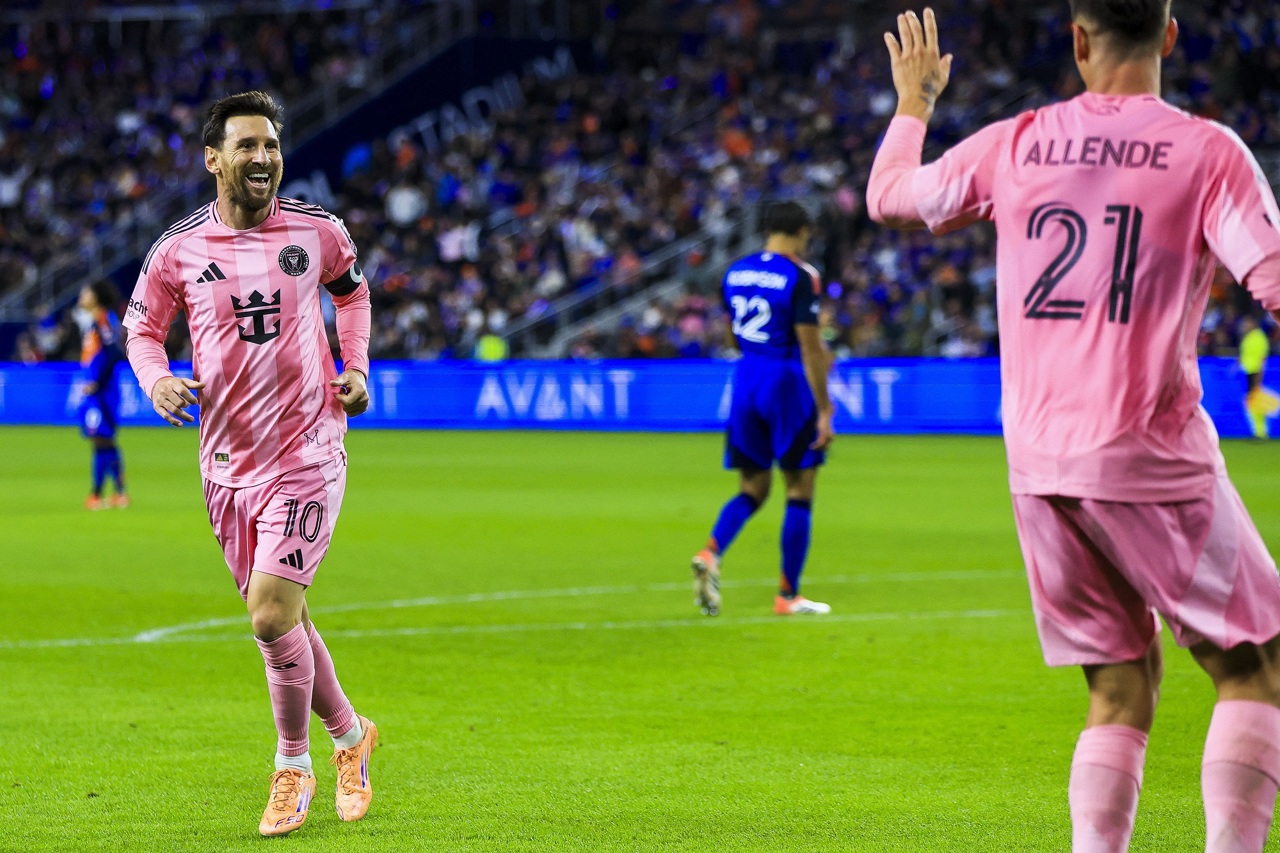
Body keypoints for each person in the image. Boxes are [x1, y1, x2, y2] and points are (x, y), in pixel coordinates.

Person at [866, 5, 1280, 851]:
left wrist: (915, 102)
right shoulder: (1207, 153)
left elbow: (888, 197)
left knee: (1119, 685)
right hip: (1151, 457)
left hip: (1040, 466)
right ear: (1168, 38)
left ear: (1080, 40)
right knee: (1254, 665)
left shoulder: (1014, 143)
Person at [122, 91, 378, 838]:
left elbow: (353, 296)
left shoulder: (319, 230)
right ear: (213, 159)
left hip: (307, 451)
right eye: (247, 146)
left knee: (269, 613)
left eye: (271, 144)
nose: (263, 157)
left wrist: (355, 366)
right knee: (286, 618)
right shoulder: (177, 249)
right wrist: (158, 379)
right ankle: (352, 736)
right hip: (226, 465)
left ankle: (291, 765)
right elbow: (142, 330)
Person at [691, 201, 835, 617]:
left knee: (752, 488)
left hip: (746, 377)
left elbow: (732, 335)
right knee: (798, 488)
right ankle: (788, 595)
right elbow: (809, 348)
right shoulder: (802, 276)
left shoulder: (735, 271)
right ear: (802, 231)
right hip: (786, 382)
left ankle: (711, 551)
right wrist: (824, 410)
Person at [76, 280, 129, 510]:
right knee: (103, 440)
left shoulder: (104, 320)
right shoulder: (97, 321)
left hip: (102, 391)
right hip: (99, 390)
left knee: (100, 439)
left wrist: (96, 383)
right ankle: (118, 493)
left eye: (86, 291)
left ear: (96, 297)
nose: (82, 295)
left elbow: (115, 351)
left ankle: (98, 494)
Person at [1238, 314, 1278, 438]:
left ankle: (1260, 431)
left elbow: (1262, 357)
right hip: (1248, 371)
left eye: (1247, 323)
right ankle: (1259, 431)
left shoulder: (1259, 337)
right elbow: (1245, 354)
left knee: (1255, 402)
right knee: (1252, 402)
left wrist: (1259, 375)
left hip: (1255, 372)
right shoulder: (1249, 337)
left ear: (1253, 323)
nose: (1244, 326)